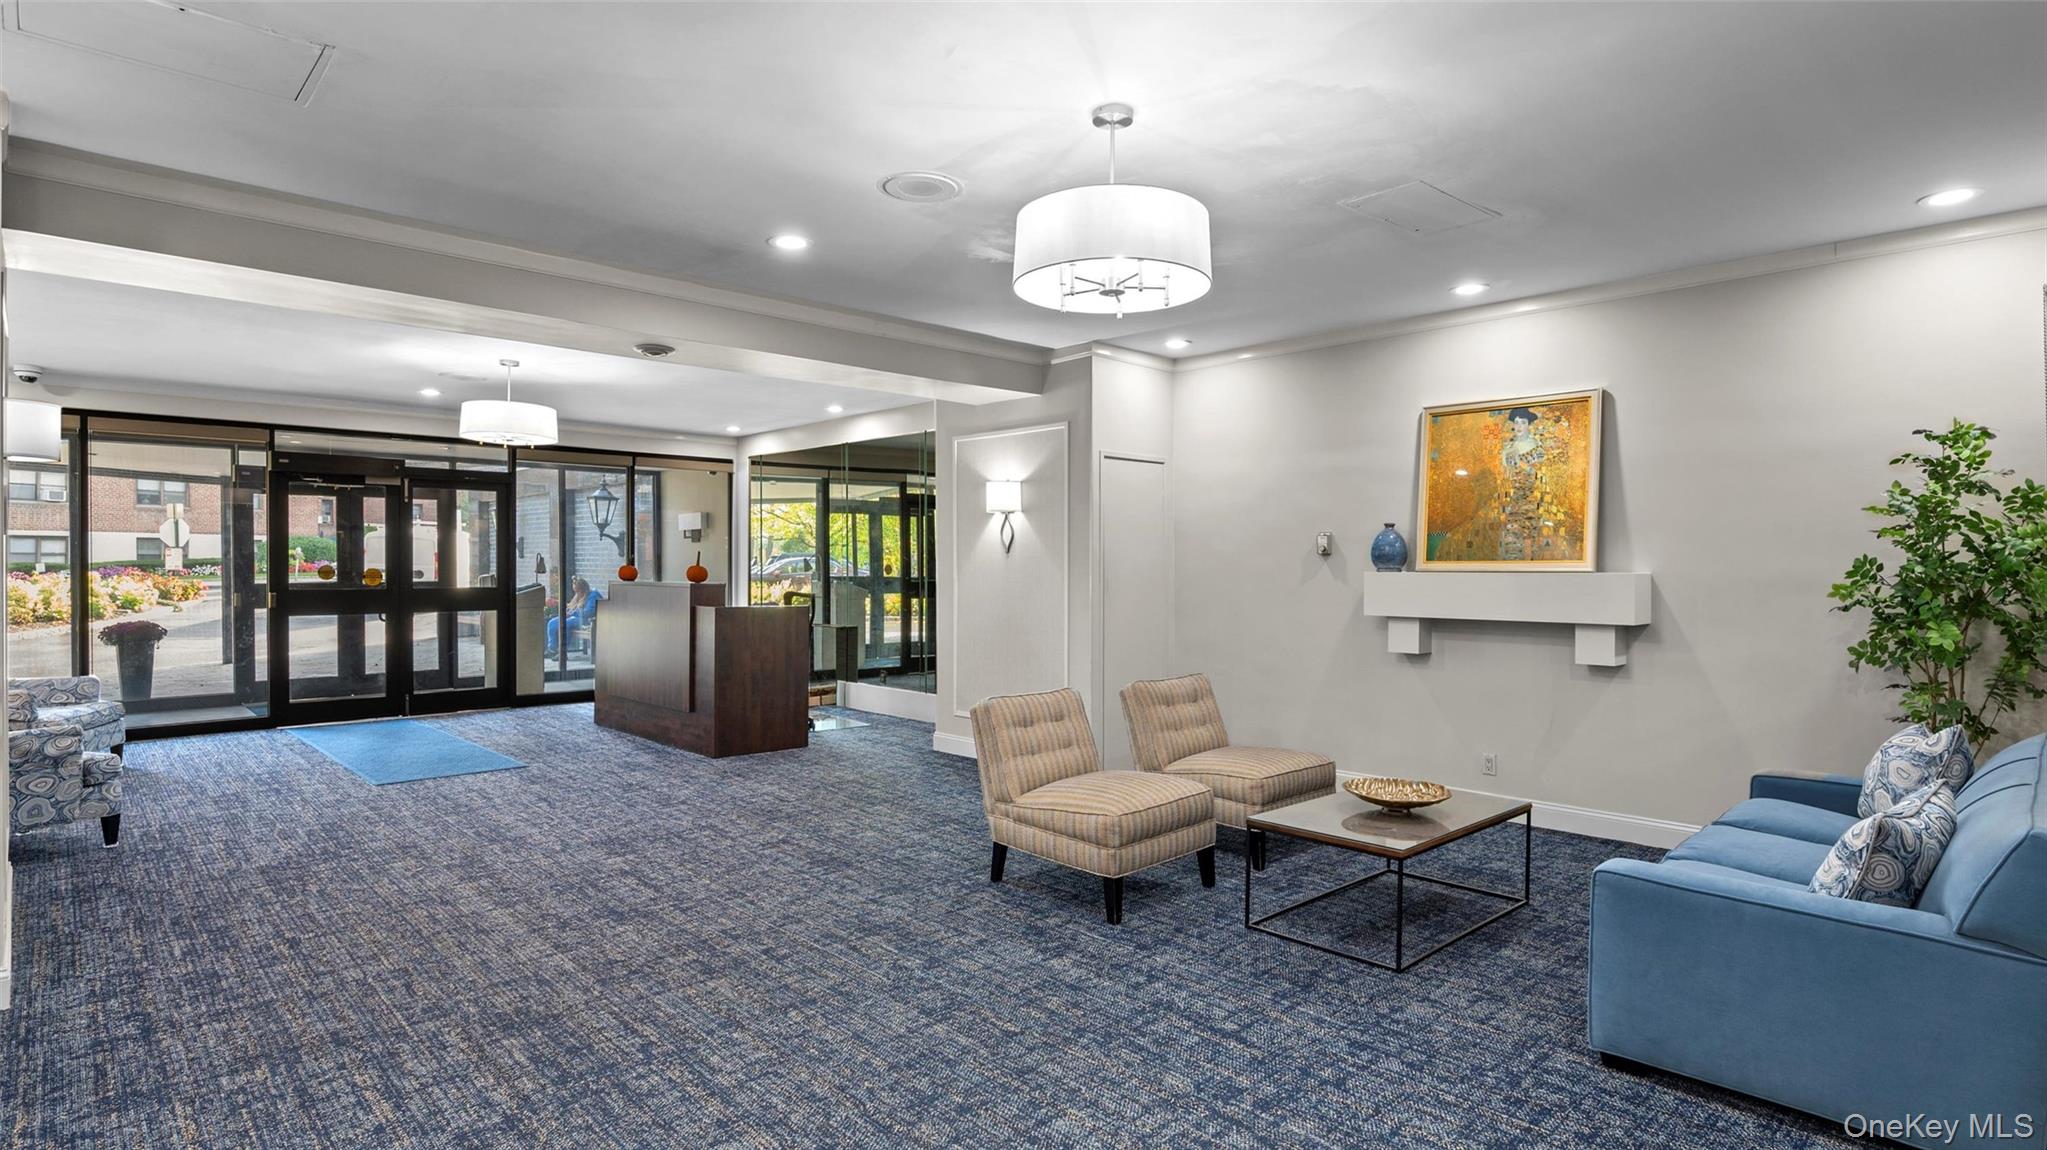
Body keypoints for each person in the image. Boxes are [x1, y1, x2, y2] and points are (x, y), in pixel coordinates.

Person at [543, 576, 593, 657]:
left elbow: (589, 612)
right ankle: (552, 649)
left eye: (578, 591)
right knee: (552, 623)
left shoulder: (592, 596)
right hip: (573, 617)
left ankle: (562, 652)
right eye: (575, 591)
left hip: (585, 620)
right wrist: (566, 609)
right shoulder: (578, 595)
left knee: (566, 624)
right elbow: (571, 606)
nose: (577, 594)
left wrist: (572, 613)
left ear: (583, 589)